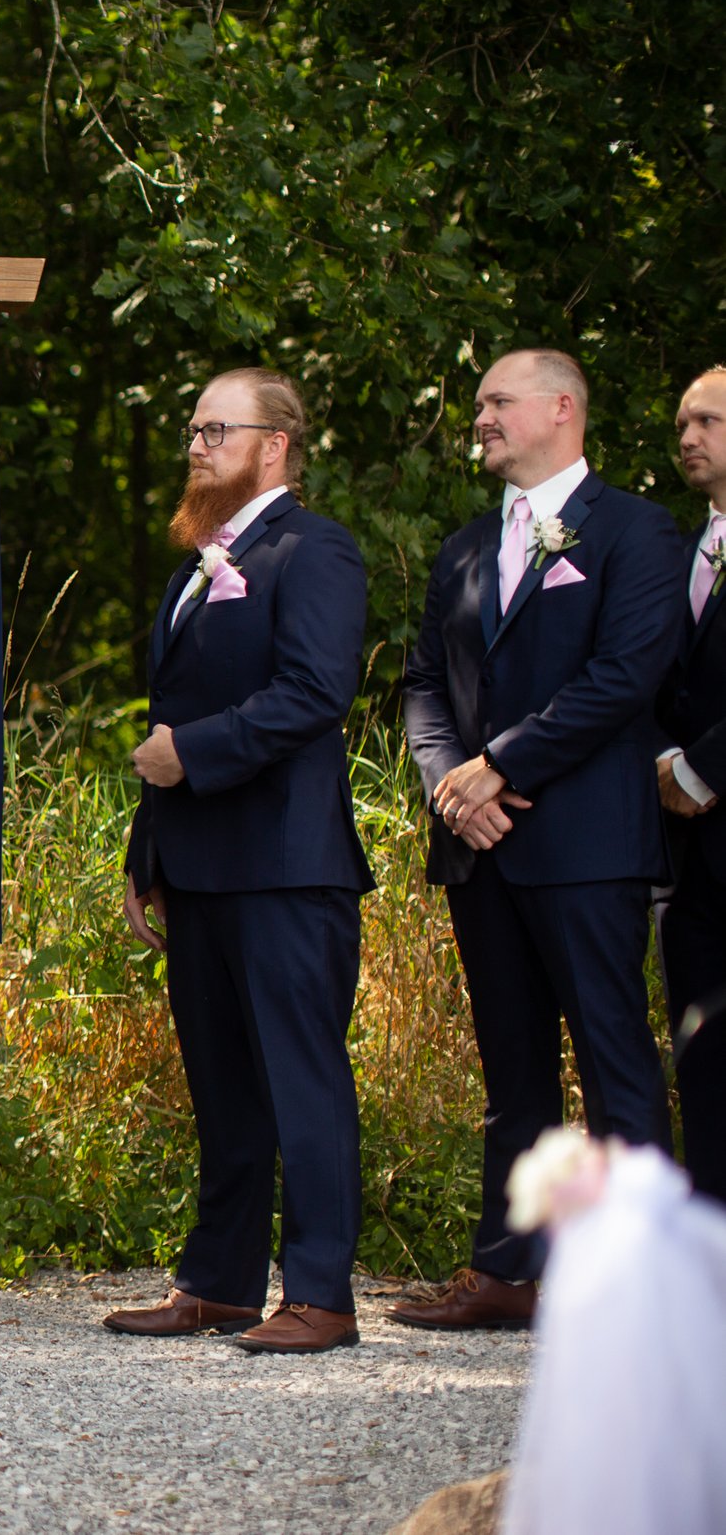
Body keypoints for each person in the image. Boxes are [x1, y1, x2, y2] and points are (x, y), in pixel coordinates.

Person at [398, 348, 681, 1329]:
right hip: (481, 845)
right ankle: (506, 1271)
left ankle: (640, 1281)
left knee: (612, 1059)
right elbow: (423, 685)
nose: (478, 416)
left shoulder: (638, 531)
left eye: (494, 401)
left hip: (588, 844)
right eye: (476, 401)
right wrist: (450, 787)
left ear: (561, 407)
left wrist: (503, 764)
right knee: (510, 1070)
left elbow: (624, 674)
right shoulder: (466, 546)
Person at [105, 368, 372, 1354]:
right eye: (191, 428)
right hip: (202, 865)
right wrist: (149, 856)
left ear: (275, 444)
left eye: (216, 429)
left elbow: (312, 691)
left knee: (299, 1082)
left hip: (286, 865)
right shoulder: (196, 562)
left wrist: (195, 752)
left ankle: (320, 1292)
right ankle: (217, 1282)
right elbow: (165, 722)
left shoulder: (313, 549)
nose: (195, 444)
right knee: (221, 1085)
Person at [656, 364, 726, 1202]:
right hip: (685, 858)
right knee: (702, 1061)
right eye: (682, 422)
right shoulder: (676, 554)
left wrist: (701, 766)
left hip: (706, 795)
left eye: (707, 420)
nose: (687, 436)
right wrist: (662, 763)